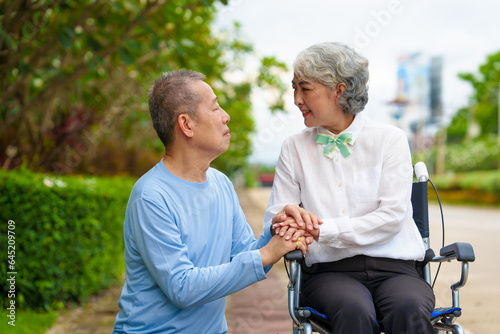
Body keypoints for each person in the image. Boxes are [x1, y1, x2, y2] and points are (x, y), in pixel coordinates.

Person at [112, 70, 309, 334]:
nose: (226, 116)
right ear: (186, 124)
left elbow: (242, 255)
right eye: (215, 107)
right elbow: (181, 288)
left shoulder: (221, 184)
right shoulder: (151, 196)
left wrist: (276, 233)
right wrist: (266, 253)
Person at [265, 42, 436, 334]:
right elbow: (277, 216)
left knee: (408, 309)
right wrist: (283, 219)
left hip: (397, 268)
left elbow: (392, 218)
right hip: (330, 272)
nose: (296, 99)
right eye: (294, 88)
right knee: (353, 311)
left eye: (305, 89)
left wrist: (321, 230)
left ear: (339, 90)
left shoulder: (390, 140)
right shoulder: (293, 148)